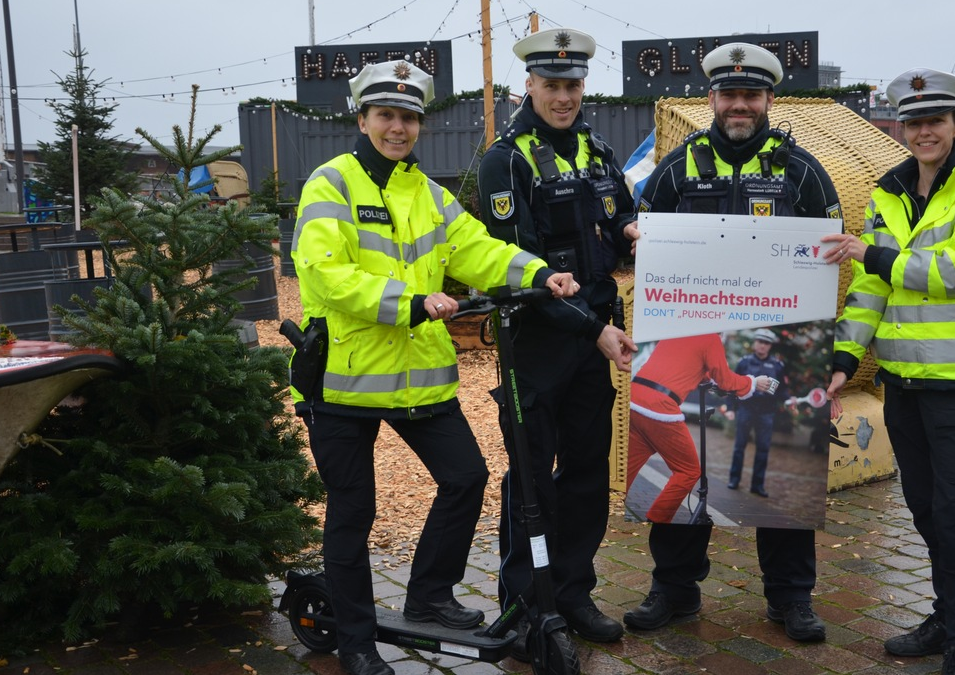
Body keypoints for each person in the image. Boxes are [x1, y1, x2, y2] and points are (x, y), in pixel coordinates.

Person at [290, 60, 577, 675]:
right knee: (353, 512)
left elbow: (478, 248)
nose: (398, 128)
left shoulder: (427, 192)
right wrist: (411, 302)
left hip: (420, 377)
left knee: (465, 476)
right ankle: (358, 642)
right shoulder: (330, 185)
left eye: (409, 118)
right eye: (386, 115)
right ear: (363, 118)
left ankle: (427, 595)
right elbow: (325, 274)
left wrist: (536, 272)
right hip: (343, 382)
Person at [623, 43, 841, 644]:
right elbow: (639, 242)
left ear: (769, 100)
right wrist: (637, 239)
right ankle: (673, 589)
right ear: (712, 99)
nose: (739, 105)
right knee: (689, 469)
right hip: (689, 340)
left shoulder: (803, 170)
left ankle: (790, 599)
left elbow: (834, 252)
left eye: (751, 95)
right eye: (729, 94)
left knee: (786, 478)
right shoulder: (675, 167)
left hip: (780, 334)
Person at [822, 68, 955, 675]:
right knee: (926, 508)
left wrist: (873, 253)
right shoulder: (889, 193)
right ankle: (945, 615)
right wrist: (844, 359)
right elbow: (870, 292)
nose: (923, 131)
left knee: (954, 511)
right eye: (913, 122)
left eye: (935, 120)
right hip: (901, 385)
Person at [477, 27, 640, 650]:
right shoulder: (506, 159)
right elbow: (521, 269)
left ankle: (572, 593)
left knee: (585, 475)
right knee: (531, 479)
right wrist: (596, 330)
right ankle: (524, 606)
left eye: (572, 85)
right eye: (552, 85)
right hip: (539, 344)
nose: (563, 96)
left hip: (593, 334)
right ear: (530, 85)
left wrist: (633, 230)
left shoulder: (597, 149)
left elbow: (618, 210)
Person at [626, 333, 774, 523]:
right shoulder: (710, 337)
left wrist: (707, 378)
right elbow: (725, 379)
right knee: (688, 471)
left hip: (635, 398)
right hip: (659, 407)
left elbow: (686, 363)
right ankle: (658, 520)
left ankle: (607, 505)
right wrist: (752, 382)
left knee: (629, 464)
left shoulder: (681, 329)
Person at [724, 328, 787, 497]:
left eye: (766, 343)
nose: (762, 346)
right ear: (754, 343)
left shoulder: (777, 365)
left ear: (770, 346)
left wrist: (790, 400)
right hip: (746, 409)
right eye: (760, 341)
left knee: (763, 449)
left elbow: (783, 390)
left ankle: (757, 485)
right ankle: (734, 479)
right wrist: (730, 408)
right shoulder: (744, 362)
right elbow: (733, 386)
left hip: (766, 412)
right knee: (739, 447)